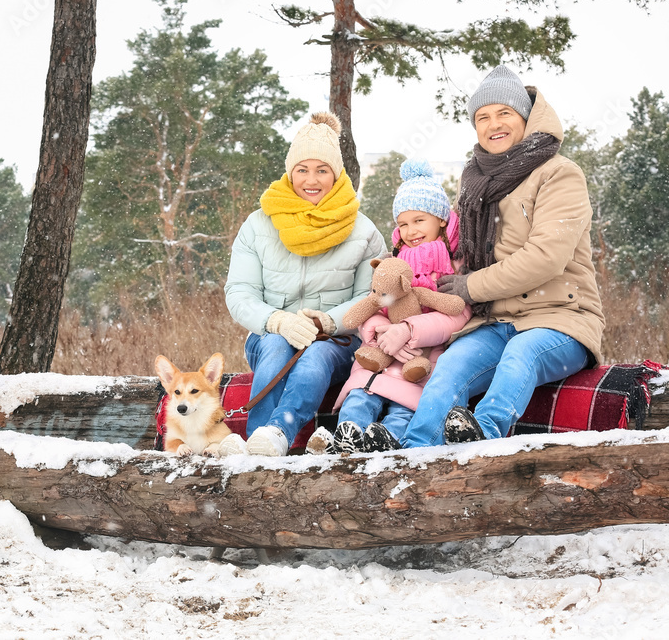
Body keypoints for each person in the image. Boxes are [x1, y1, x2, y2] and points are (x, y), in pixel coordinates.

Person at [400, 65, 605, 449]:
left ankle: (483, 438)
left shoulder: (560, 174)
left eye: (504, 113)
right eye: (483, 117)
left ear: (526, 119)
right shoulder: (475, 180)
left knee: (521, 355)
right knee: (450, 368)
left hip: (560, 318)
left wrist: (470, 286)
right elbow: (454, 246)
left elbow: (544, 257)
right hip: (495, 319)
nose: (494, 124)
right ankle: (414, 453)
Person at [220, 111, 386, 457]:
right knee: (278, 345)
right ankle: (257, 443)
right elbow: (240, 292)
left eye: (322, 170)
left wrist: (326, 321)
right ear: (290, 172)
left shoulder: (364, 231)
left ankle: (278, 432)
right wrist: (278, 320)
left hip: (336, 340)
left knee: (316, 356)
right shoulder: (258, 225)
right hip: (270, 334)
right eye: (302, 170)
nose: (312, 180)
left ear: (336, 173)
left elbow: (371, 297)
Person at [305, 158, 472, 455]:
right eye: (403, 224)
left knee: (405, 404)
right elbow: (373, 302)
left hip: (421, 357)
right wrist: (375, 330)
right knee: (361, 394)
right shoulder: (391, 262)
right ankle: (348, 435)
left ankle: (389, 437)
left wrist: (407, 331)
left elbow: (457, 315)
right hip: (380, 354)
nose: (411, 231)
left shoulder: (456, 265)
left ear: (442, 219)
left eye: (420, 220)